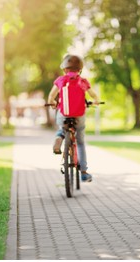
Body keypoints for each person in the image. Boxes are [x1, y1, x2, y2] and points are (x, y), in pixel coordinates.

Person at [47, 54, 99, 182]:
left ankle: (59, 137)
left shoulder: (61, 80)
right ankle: (84, 173)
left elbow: (51, 97)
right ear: (80, 69)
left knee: (62, 128)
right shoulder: (83, 81)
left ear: (65, 69)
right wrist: (95, 101)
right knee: (80, 142)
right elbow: (94, 96)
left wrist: (53, 103)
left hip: (64, 113)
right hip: (79, 116)